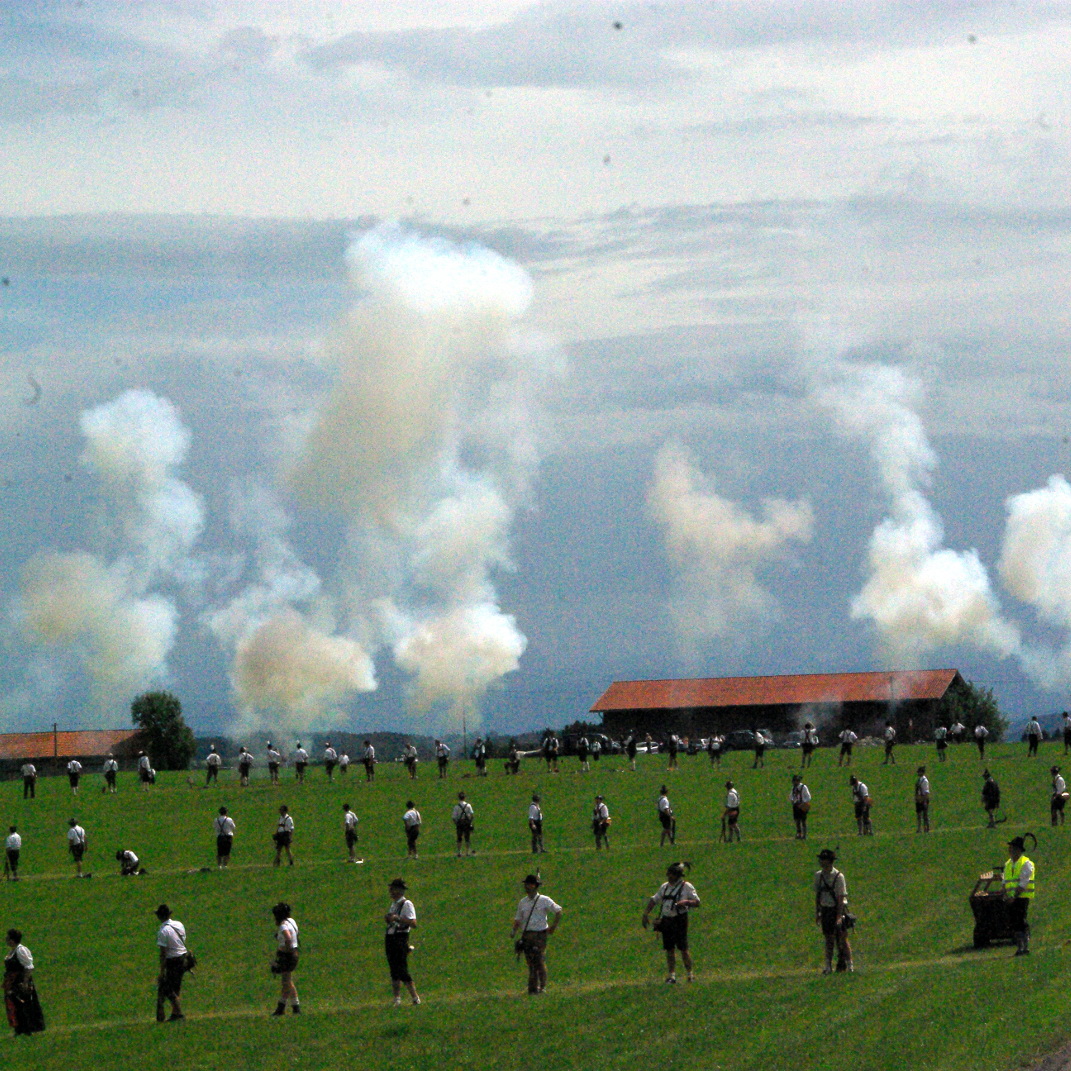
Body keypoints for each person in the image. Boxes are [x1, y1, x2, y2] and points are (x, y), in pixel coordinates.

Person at [642, 861, 700, 984]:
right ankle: (672, 975)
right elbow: (654, 899)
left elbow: (697, 902)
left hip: (680, 920)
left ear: (677, 875)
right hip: (666, 920)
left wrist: (685, 903)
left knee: (683, 948)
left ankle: (690, 974)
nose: (668, 876)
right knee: (669, 949)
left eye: (671, 874)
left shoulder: (687, 887)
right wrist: (646, 913)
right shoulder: (665, 887)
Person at [513, 874, 562, 995]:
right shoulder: (522, 902)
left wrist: (553, 927)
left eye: (529, 884)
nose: (526, 887)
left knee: (539, 961)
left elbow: (558, 911)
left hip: (540, 935)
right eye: (526, 884)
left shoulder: (544, 900)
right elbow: (518, 919)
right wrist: (514, 931)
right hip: (527, 935)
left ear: (535, 886)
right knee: (530, 962)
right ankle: (533, 988)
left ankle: (542, 986)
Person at [814, 849, 853, 973]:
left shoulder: (839, 876)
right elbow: (818, 895)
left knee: (843, 938)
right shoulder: (818, 876)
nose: (820, 861)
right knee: (829, 939)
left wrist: (839, 916)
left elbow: (841, 897)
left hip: (837, 910)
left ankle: (849, 965)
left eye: (822, 859)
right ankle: (828, 966)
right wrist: (818, 912)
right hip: (826, 909)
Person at [384, 879, 420, 1006]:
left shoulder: (406, 904)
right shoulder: (394, 904)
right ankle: (397, 998)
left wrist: (397, 918)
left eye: (392, 889)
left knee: (402, 969)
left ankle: (415, 997)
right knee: (394, 969)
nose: (390, 892)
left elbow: (413, 923)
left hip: (400, 937)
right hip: (391, 937)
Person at [3, 929, 44, 1035]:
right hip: (13, 982)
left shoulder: (21, 950)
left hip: (20, 981)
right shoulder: (12, 951)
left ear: (12, 940)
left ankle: (29, 1027)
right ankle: (20, 1028)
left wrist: (25, 982)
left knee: (23, 1004)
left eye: (8, 938)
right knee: (15, 1005)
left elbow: (28, 966)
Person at [1002, 835, 1036, 956]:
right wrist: (1005, 895)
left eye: (1012, 848)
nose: (1010, 850)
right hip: (1011, 898)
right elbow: (1005, 881)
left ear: (1018, 850)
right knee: (1013, 922)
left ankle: (1024, 946)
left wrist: (1013, 897)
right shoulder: (1008, 864)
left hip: (1021, 897)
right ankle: (1019, 946)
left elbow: (1023, 883)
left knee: (1020, 920)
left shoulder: (1026, 864)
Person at [155, 904, 187, 1022]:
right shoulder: (179, 924)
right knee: (176, 987)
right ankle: (175, 1014)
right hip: (183, 958)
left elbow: (163, 953)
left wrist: (162, 971)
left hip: (172, 960)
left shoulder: (163, 931)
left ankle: (179, 1013)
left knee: (168, 989)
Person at [270, 902, 300, 1015]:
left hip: (287, 955)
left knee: (285, 983)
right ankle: (296, 1007)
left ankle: (281, 1007)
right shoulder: (291, 921)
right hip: (294, 954)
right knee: (288, 982)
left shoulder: (283, 925)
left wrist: (286, 948)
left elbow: (288, 938)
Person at [452, 791, 475, 856]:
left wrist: (456, 824)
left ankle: (459, 852)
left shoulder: (456, 807)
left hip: (459, 823)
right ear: (464, 797)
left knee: (459, 838)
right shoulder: (468, 805)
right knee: (467, 838)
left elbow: (454, 817)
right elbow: (472, 815)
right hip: (466, 823)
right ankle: (467, 852)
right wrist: (470, 822)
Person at [791, 774, 811, 839]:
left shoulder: (803, 787)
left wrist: (803, 803)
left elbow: (808, 797)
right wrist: (793, 801)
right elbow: (791, 796)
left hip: (802, 806)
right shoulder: (793, 788)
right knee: (797, 821)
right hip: (796, 806)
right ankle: (798, 833)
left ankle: (804, 834)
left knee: (803, 821)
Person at [915, 766, 931, 833]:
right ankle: (919, 828)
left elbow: (926, 792)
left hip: (923, 799)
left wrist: (924, 800)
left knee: (925, 815)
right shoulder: (919, 780)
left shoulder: (925, 781)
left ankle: (926, 828)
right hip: (919, 799)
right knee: (919, 814)